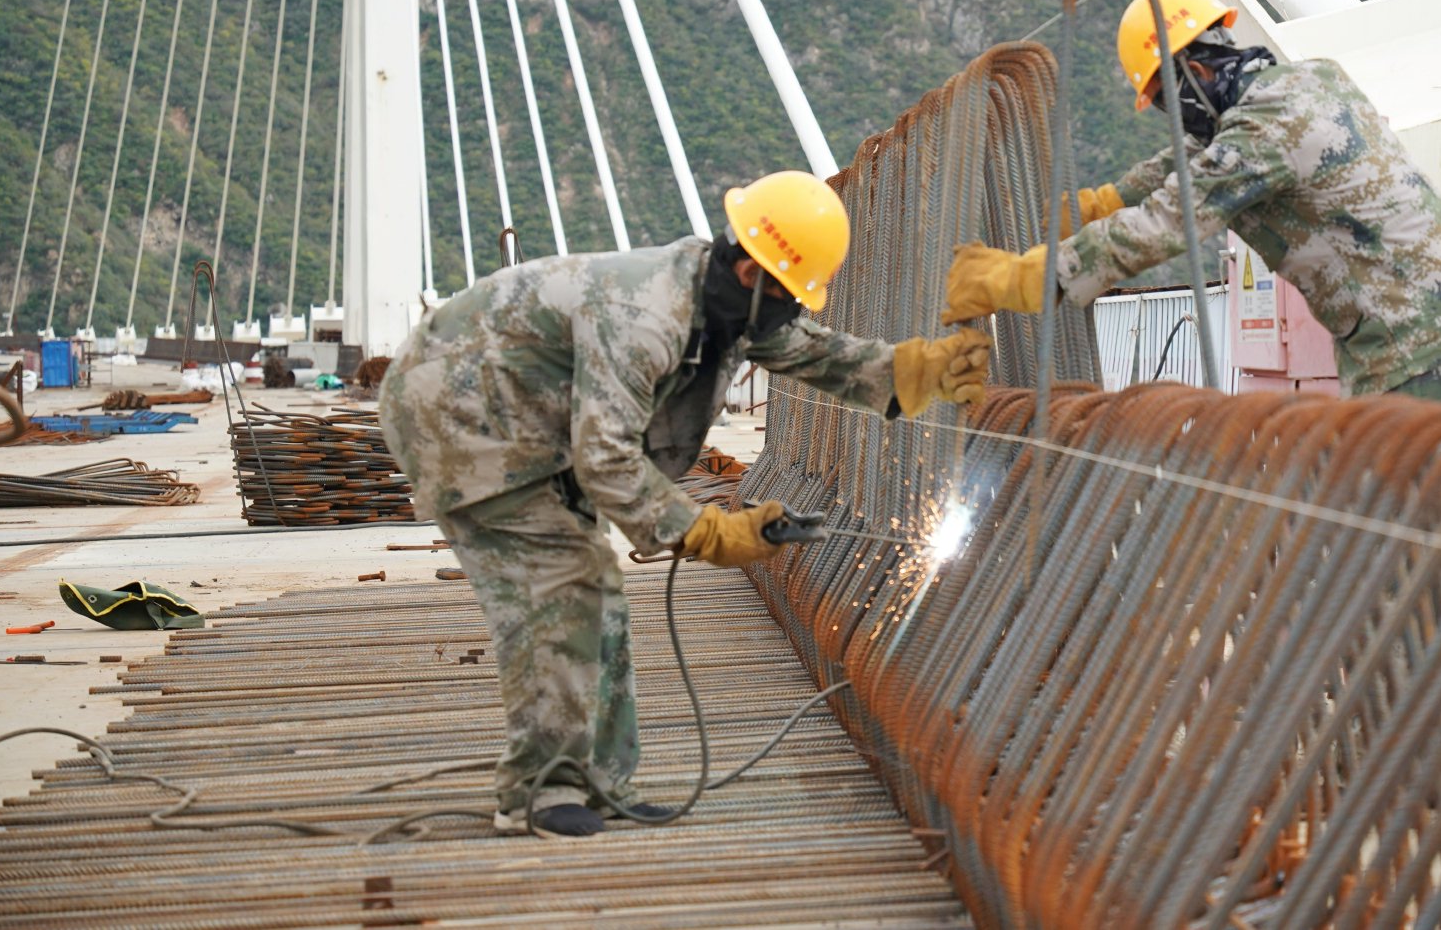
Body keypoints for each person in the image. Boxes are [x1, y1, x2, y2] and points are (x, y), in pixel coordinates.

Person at [379, 170, 990, 838]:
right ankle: (538, 791)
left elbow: (808, 350)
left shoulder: (725, 302)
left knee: (596, 584)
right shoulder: (646, 316)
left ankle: (596, 782)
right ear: (755, 274)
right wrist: (707, 531)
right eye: (792, 297)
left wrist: (915, 372)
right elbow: (607, 457)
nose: (794, 314)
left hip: (531, 420)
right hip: (460, 416)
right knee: (560, 584)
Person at [940, 0, 1441, 400]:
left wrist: (1019, 280)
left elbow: (1164, 223)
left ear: (1197, 73)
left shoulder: (1264, 131)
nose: (1171, 114)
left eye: (1165, 96)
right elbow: (1188, 160)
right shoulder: (1300, 85)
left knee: (1400, 544)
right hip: (1418, 337)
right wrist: (1100, 203)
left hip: (1422, 349)